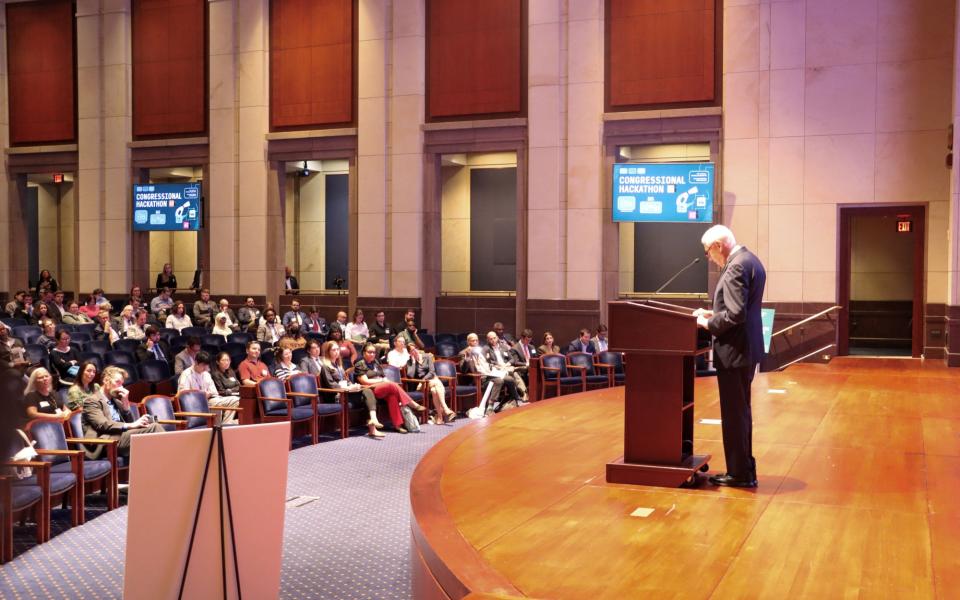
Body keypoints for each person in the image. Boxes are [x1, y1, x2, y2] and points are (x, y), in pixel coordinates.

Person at [694, 224, 766, 489]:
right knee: (741, 412)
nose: (709, 259)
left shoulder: (735, 266)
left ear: (717, 246)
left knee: (735, 415)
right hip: (745, 350)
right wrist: (713, 314)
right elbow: (739, 309)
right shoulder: (751, 260)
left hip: (734, 352)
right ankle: (744, 469)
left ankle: (739, 474)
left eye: (707, 252)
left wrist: (706, 324)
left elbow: (736, 315)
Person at [82, 365, 165, 458]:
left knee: (151, 430)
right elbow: (102, 424)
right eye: (117, 382)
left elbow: (130, 423)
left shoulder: (116, 401)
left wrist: (125, 403)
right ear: (106, 381)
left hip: (121, 437)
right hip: (104, 442)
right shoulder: (92, 401)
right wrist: (131, 425)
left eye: (122, 384)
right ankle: (172, 460)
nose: (121, 387)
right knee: (154, 428)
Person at [317, 341, 383, 439]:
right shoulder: (325, 366)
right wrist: (347, 388)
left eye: (337, 349)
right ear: (328, 352)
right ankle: (372, 427)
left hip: (347, 393)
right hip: (336, 396)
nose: (336, 352)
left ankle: (373, 423)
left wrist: (353, 385)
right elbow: (331, 385)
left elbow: (345, 380)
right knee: (367, 394)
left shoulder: (338, 365)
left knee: (367, 391)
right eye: (333, 350)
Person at [353, 343, 425, 433]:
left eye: (374, 352)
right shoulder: (360, 364)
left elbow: (383, 376)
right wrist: (382, 381)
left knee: (392, 397)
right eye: (370, 352)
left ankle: (397, 425)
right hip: (371, 389)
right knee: (392, 384)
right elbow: (365, 381)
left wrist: (384, 380)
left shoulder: (376, 362)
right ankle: (412, 404)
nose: (372, 354)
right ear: (364, 353)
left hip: (382, 388)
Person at [460, 333, 521, 414]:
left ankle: (514, 400)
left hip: (489, 374)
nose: (475, 342)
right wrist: (467, 357)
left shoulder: (480, 350)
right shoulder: (463, 353)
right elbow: (463, 370)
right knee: (499, 381)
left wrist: (495, 368)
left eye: (476, 340)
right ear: (468, 342)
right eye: (473, 341)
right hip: (479, 378)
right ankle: (490, 406)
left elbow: (488, 363)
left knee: (509, 379)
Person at [178, 351, 238, 424]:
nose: (206, 368)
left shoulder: (206, 374)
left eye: (207, 365)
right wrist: (200, 394)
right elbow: (182, 394)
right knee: (234, 400)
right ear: (196, 362)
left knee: (235, 400)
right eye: (203, 365)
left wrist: (208, 394)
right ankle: (224, 426)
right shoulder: (186, 374)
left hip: (210, 400)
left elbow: (214, 392)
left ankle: (225, 425)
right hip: (196, 403)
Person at [406, 343, 455, 424]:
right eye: (412, 350)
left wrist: (425, 379)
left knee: (434, 390)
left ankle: (440, 417)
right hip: (422, 384)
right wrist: (414, 362)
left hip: (431, 380)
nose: (415, 351)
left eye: (415, 349)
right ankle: (446, 409)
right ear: (409, 353)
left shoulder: (427, 356)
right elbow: (410, 375)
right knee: (436, 383)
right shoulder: (410, 362)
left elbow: (432, 372)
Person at [486, 330, 527, 402]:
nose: (493, 340)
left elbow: (512, 359)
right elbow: (487, 361)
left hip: (506, 366)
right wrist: (497, 364)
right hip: (497, 369)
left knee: (514, 372)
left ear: (497, 337)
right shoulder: (487, 349)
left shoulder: (503, 347)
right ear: (488, 340)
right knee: (514, 373)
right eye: (491, 339)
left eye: (494, 338)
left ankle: (520, 395)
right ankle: (523, 394)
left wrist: (507, 364)